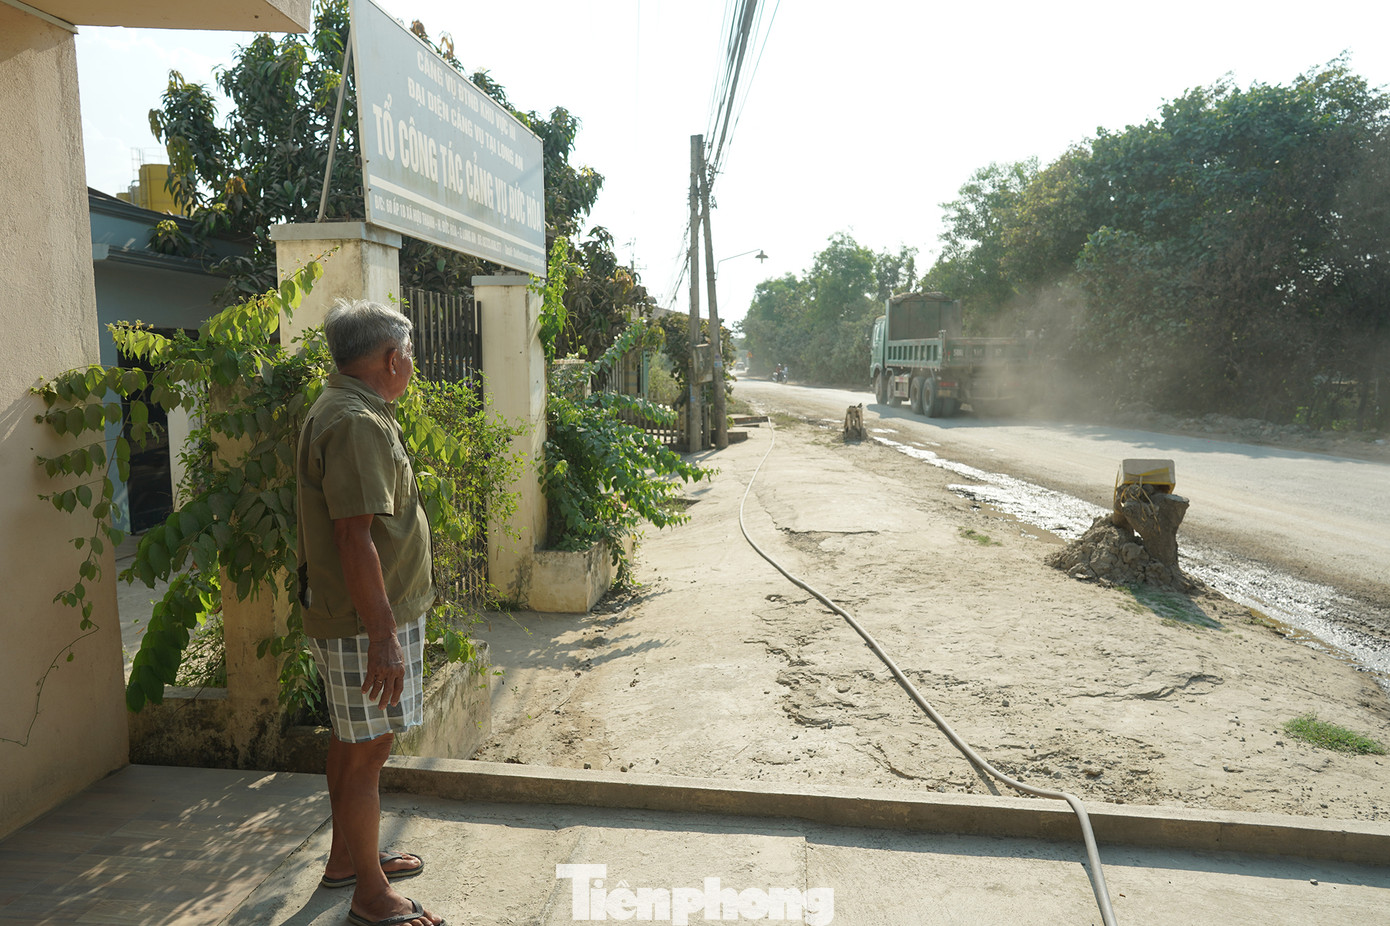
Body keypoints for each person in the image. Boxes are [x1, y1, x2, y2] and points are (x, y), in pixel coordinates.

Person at [296, 299, 445, 926]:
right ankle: (370, 897)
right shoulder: (354, 421)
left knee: (352, 742)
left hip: (361, 618)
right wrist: (383, 636)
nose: (409, 366)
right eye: (407, 355)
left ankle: (349, 861)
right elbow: (353, 538)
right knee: (368, 752)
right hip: (365, 624)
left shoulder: (353, 410)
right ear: (392, 358)